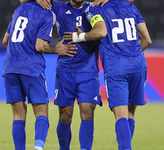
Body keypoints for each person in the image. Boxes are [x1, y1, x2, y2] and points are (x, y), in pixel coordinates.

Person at [64, 0, 152, 149]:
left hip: (116, 67)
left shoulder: (94, 9)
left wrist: (79, 37)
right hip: (139, 65)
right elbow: (147, 40)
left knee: (121, 114)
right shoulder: (130, 6)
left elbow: (100, 31)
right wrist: (132, 56)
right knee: (130, 112)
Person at [22, 0, 110, 149]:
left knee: (88, 114)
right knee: (64, 116)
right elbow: (23, 1)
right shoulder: (58, 7)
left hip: (88, 71)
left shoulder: (92, 9)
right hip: (65, 71)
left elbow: (101, 30)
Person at [2, 1, 77, 150]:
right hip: (31, 67)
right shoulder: (47, 13)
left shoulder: (19, 9)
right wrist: (57, 49)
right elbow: (40, 46)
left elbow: (5, 41)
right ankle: (38, 147)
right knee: (41, 111)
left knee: (18, 114)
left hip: (9, 66)